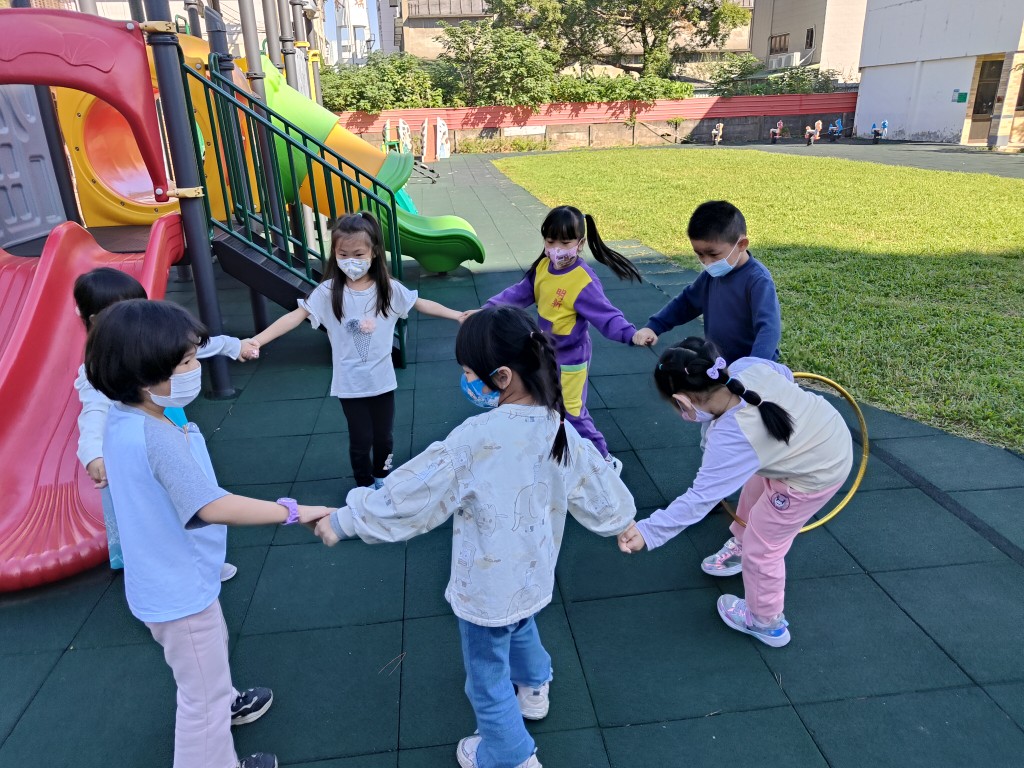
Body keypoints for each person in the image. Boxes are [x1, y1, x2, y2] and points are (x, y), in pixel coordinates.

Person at [308, 306, 636, 768]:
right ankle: (535, 684)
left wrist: (346, 520)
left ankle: (509, 754)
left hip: (486, 586)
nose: (465, 380)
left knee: (486, 676)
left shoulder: (476, 437)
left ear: (501, 377)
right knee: (519, 622)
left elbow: (412, 496)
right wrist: (622, 522)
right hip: (533, 570)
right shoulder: (558, 424)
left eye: (468, 372)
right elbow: (597, 483)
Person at [86, 299, 333, 768]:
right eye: (184, 363)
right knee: (201, 702)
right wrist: (293, 511)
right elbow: (213, 506)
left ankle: (225, 704)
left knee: (208, 669)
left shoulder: (125, 417)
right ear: (143, 374)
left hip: (169, 579)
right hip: (178, 590)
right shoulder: (155, 436)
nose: (194, 369)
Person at [617, 337, 853, 648]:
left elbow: (699, 499)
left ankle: (766, 622)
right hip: (820, 432)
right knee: (754, 488)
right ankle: (741, 544)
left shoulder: (733, 439)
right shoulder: (746, 367)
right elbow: (784, 374)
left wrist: (649, 531)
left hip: (816, 473)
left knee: (764, 548)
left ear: (683, 401)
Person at [251, 212, 463, 489]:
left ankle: (382, 477)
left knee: (384, 437)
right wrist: (258, 340)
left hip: (382, 381)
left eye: (358, 254)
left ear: (374, 252)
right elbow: (296, 316)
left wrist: (457, 315)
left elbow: (419, 303)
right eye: (343, 254)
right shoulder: (328, 292)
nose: (350, 261)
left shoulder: (387, 289)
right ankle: (363, 483)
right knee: (361, 438)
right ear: (335, 254)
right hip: (350, 385)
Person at [73, 267, 258, 575]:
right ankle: (177, 566)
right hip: (143, 449)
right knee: (163, 510)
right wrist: (93, 454)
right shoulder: (103, 369)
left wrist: (235, 346)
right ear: (96, 320)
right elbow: (92, 412)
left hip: (170, 428)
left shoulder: (151, 341)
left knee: (191, 489)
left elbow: (195, 345)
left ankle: (207, 559)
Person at [482, 205, 647, 473]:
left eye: (565, 243)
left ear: (580, 244)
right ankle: (555, 450)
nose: (556, 249)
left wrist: (631, 334)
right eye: (550, 241)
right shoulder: (543, 268)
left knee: (572, 412)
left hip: (571, 359)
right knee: (542, 403)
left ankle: (604, 460)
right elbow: (518, 293)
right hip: (544, 354)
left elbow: (607, 315)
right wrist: (487, 309)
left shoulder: (582, 280)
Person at [633, 201, 781, 366]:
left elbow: (768, 328)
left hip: (752, 368)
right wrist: (654, 326)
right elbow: (686, 303)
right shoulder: (710, 276)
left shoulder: (758, 280)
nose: (707, 262)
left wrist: (754, 366)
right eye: (700, 254)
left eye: (713, 254)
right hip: (718, 364)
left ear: (741, 244)